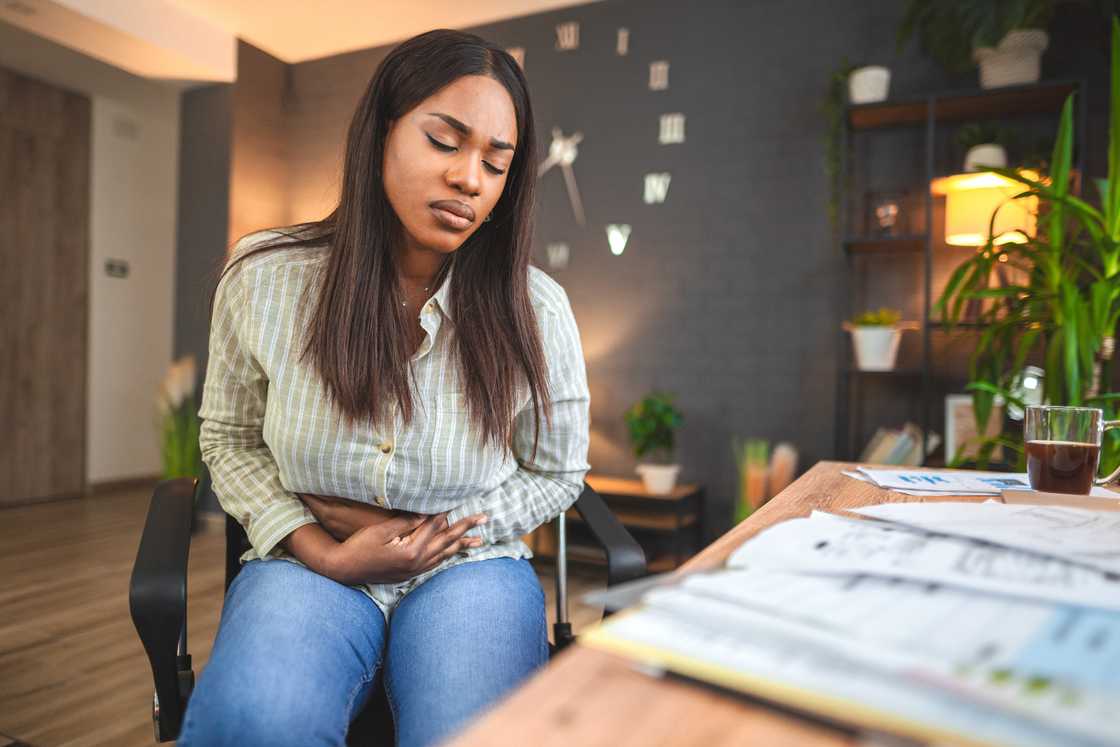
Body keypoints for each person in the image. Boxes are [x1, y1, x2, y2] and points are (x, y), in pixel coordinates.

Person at [177, 28, 590, 747]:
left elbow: (557, 468)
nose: (470, 178)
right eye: (444, 141)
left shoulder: (537, 307)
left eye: (496, 163)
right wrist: (320, 547)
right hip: (309, 566)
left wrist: (434, 537)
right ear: (381, 134)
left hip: (471, 567)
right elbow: (231, 438)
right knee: (253, 722)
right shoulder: (265, 277)